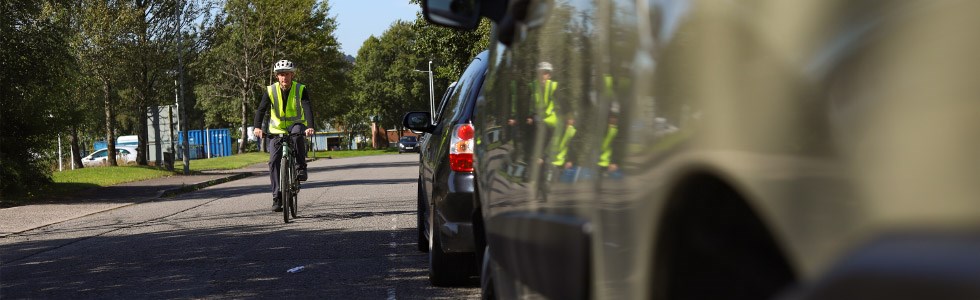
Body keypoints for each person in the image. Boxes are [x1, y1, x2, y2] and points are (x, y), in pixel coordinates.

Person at [253, 59, 315, 212]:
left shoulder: (300, 89)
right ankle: (277, 197)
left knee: (297, 135)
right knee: (273, 161)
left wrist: (310, 126)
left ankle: (300, 167)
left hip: (296, 125)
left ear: (292, 75)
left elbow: (307, 107)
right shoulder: (270, 90)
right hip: (276, 129)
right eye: (281, 75)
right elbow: (261, 110)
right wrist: (257, 127)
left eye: (287, 74)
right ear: (277, 77)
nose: (284, 77)